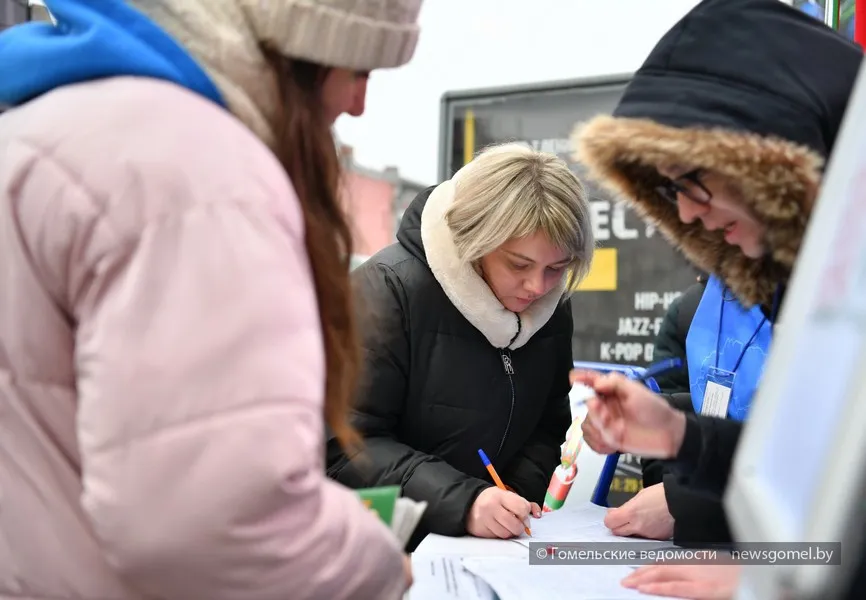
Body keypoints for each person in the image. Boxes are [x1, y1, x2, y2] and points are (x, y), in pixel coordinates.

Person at [0, 1, 423, 598]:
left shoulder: (42, 125)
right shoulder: (201, 174)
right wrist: (373, 564)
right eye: (357, 70)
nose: (357, 104)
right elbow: (214, 519)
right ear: (299, 47)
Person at [571, 0, 862, 556]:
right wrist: (678, 436)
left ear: (771, 155)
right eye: (669, 190)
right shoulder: (807, 287)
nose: (683, 214)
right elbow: (811, 471)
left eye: (692, 180)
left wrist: (763, 576)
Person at [327, 142, 595, 549]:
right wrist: (465, 502)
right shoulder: (386, 290)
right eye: (519, 265)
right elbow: (346, 446)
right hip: (383, 547)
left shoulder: (549, 307)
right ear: (475, 240)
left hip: (491, 548)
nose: (537, 287)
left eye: (557, 269)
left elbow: (547, 422)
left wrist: (516, 496)